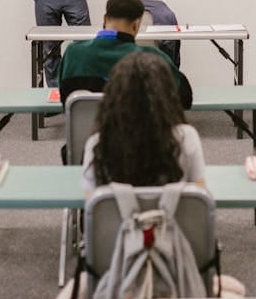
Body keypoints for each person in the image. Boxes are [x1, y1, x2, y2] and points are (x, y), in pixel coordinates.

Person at [81, 50, 205, 193]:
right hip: (175, 216)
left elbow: (92, 205)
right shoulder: (186, 138)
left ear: (113, 97)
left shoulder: (97, 144)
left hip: (116, 216)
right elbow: (199, 198)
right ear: (168, 95)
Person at [59, 0, 192, 109]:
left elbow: (65, 100)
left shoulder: (73, 54)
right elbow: (185, 99)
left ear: (104, 19)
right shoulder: (153, 58)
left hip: (90, 135)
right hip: (137, 135)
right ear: (136, 25)